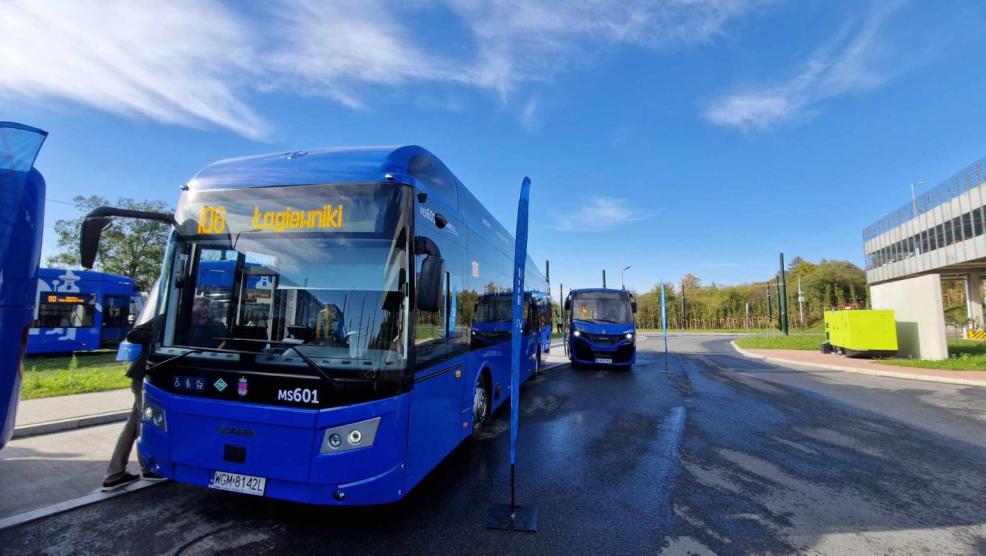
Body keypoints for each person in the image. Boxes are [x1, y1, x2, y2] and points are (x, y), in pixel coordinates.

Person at [102, 315, 165, 490]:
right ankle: (148, 468)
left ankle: (115, 474)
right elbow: (133, 334)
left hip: (154, 379)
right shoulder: (165, 319)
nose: (202, 307)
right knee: (144, 423)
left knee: (133, 425)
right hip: (144, 377)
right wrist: (161, 335)